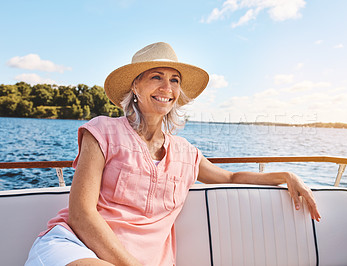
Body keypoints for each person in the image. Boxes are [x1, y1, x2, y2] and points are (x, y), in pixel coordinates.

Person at [25, 42, 320, 266]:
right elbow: (82, 213)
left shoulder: (185, 153)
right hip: (76, 249)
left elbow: (230, 176)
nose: (167, 87)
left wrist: (286, 175)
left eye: (174, 80)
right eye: (156, 77)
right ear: (136, 86)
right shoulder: (101, 132)